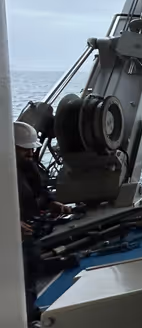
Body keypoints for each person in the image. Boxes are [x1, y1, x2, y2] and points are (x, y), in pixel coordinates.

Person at [14, 121, 69, 323]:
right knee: (14, 277)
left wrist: (52, 203)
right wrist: (10, 225)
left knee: (30, 270)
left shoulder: (26, 167)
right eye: (25, 150)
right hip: (10, 236)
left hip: (26, 232)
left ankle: (28, 312)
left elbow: (39, 189)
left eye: (31, 150)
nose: (30, 154)